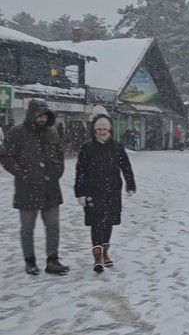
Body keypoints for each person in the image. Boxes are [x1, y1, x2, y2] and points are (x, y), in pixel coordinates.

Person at [0, 98, 69, 275]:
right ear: (31, 114)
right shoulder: (16, 133)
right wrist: (23, 174)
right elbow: (5, 157)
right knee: (27, 228)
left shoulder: (52, 133)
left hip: (50, 188)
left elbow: (60, 155)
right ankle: (30, 261)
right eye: (39, 115)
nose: (43, 118)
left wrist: (57, 171)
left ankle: (52, 260)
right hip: (27, 188)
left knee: (53, 226)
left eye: (45, 115)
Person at [74, 112, 136, 272]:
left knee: (108, 223)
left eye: (104, 129)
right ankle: (97, 257)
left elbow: (126, 166)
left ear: (110, 130)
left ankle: (105, 252)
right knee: (96, 223)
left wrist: (130, 184)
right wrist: (80, 192)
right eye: (98, 129)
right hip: (92, 191)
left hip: (112, 191)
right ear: (94, 130)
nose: (101, 132)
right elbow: (80, 171)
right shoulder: (87, 148)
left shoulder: (117, 147)